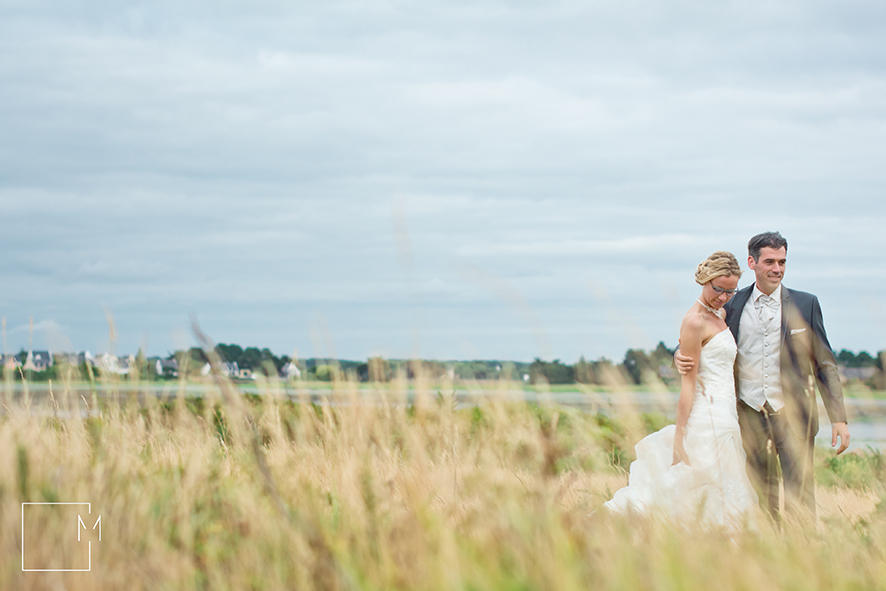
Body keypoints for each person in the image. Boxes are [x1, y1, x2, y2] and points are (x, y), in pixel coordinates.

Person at [675, 232, 849, 521]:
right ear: (752, 262)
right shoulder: (730, 302)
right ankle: (772, 556)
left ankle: (802, 556)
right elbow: (695, 337)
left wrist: (839, 418)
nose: (777, 269)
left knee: (800, 496)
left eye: (782, 262)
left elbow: (825, 364)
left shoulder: (806, 304)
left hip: (795, 415)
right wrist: (678, 355)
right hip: (748, 414)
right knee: (760, 494)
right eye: (769, 261)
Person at [604, 251, 757, 527]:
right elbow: (688, 386)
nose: (723, 297)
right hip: (705, 417)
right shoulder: (694, 321)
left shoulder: (719, 314)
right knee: (684, 486)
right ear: (705, 280)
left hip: (727, 417)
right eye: (717, 289)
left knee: (720, 489)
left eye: (730, 291)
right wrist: (680, 433)